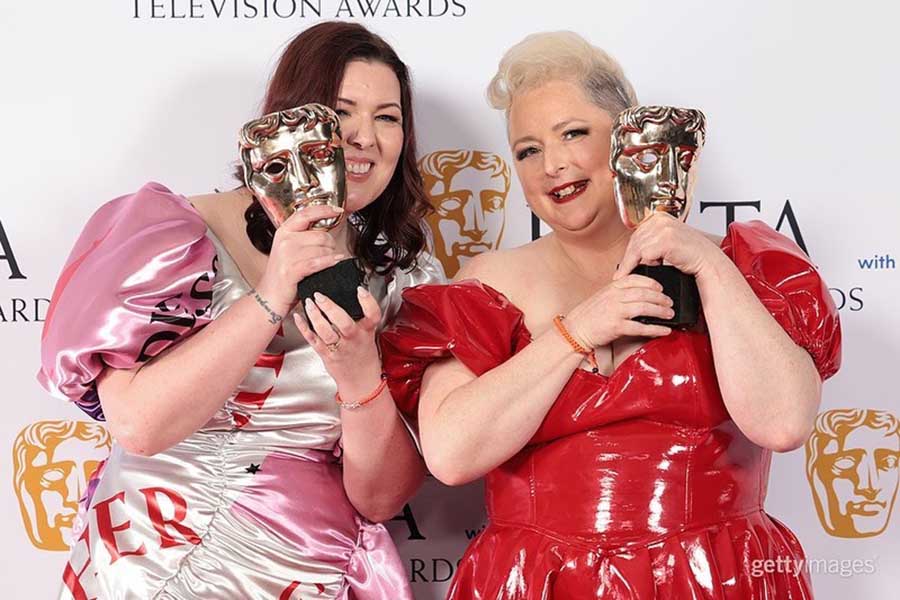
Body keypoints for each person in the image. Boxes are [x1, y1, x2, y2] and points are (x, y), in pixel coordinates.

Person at [381, 31, 841, 598]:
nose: (552, 164)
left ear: (629, 140)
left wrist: (703, 261)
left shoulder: (741, 264)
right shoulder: (487, 283)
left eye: (573, 133)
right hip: (538, 583)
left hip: (714, 576)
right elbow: (451, 455)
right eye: (527, 150)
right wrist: (577, 332)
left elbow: (785, 423)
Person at [37, 21, 443, 599]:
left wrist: (359, 375)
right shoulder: (174, 234)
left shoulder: (405, 283)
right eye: (341, 112)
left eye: (388, 117)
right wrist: (271, 295)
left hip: (305, 568)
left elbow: (381, 499)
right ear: (283, 125)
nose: (363, 137)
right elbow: (138, 425)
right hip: (151, 557)